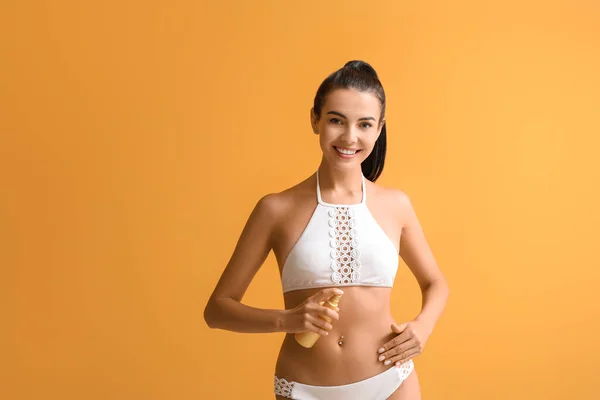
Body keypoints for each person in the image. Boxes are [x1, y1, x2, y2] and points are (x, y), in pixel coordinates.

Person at [204, 60, 449, 400]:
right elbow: (217, 309)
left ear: (379, 129)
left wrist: (422, 327)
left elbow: (435, 283)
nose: (350, 137)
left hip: (392, 383)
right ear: (315, 120)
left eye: (365, 124)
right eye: (336, 120)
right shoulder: (275, 209)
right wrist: (286, 320)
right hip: (304, 389)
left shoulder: (396, 205)